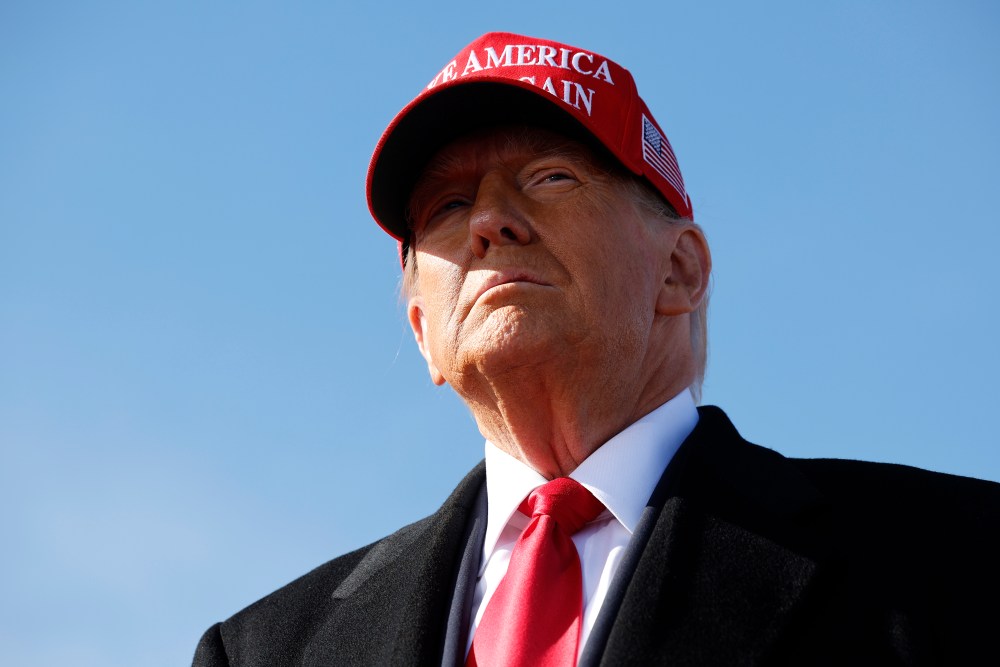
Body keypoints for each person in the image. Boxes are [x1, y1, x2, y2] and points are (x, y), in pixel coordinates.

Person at [193, 32, 1000, 666]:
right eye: (446, 204)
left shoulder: (957, 559)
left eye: (549, 178)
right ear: (421, 330)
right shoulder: (266, 648)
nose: (488, 222)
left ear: (680, 268)